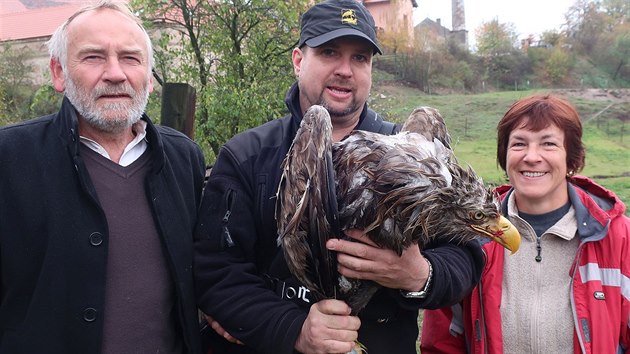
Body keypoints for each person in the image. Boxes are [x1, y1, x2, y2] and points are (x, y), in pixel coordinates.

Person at [193, 0, 484, 353]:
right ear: (299, 61)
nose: (345, 69)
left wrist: (420, 274)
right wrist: (294, 330)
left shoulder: (411, 152)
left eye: (360, 58)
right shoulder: (248, 155)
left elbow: (466, 255)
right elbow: (216, 271)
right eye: (330, 52)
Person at [0, 1, 206, 353]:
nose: (115, 73)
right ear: (59, 73)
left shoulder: (183, 157)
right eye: (94, 57)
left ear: (149, 76)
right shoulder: (10, 157)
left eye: (130, 58)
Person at [420, 94, 630, 354]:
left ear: (571, 159)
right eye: (519, 144)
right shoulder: (467, 232)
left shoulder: (619, 237)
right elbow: (441, 345)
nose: (531, 157)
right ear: (504, 155)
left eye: (549, 144)